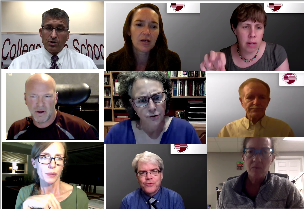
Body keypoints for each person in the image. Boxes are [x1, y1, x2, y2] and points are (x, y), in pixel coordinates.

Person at [104, 71, 201, 144]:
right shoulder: (116, 133)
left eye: (157, 97)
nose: (152, 107)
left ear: (166, 97)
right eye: (142, 100)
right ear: (132, 104)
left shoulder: (185, 130)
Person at [218, 137, 304, 208]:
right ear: (243, 157)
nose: (257, 159)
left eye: (265, 152)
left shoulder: (287, 188)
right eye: (250, 152)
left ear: (272, 158)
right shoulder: (228, 189)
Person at [201, 3, 289, 71]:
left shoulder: (276, 53)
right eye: (246, 27)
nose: (253, 34)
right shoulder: (221, 59)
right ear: (234, 29)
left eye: (258, 27)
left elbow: (284, 93)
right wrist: (214, 79)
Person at [7, 73, 97, 139]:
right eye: (33, 96)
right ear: (25, 98)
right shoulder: (16, 129)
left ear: (56, 98)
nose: (40, 103)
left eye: (47, 96)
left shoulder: (81, 130)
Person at [8, 8, 97, 69]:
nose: (53, 35)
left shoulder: (86, 64)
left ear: (68, 35)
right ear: (40, 33)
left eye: (60, 29)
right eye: (48, 28)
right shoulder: (20, 64)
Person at [106, 3, 181, 71]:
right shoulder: (112, 62)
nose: (147, 32)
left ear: (159, 32)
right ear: (128, 30)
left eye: (153, 26)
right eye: (139, 25)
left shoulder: (172, 61)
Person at [15, 142, 89, 209]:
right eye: (44, 157)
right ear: (34, 163)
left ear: (63, 164)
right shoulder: (24, 193)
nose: (52, 165)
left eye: (59, 158)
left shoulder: (79, 196)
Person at [218, 78, 294, 137]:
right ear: (242, 102)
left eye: (262, 97)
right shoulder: (227, 131)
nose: (256, 102)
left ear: (268, 101)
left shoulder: (284, 130)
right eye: (250, 97)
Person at [120, 151, 185, 209]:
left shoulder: (174, 199)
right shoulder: (127, 202)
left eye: (154, 171)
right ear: (137, 176)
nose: (148, 177)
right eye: (142, 172)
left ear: (161, 174)